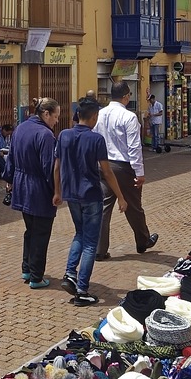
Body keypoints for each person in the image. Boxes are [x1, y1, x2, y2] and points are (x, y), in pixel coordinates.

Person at [57, 97, 127, 307]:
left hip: (71, 194)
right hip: (91, 194)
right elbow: (106, 171)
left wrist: (57, 191)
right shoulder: (96, 139)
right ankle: (82, 289)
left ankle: (70, 273)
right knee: (90, 242)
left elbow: (56, 166)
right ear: (94, 117)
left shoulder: (64, 135)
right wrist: (121, 197)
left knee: (79, 233)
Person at [93, 80, 158, 259]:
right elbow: (134, 148)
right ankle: (143, 240)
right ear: (126, 96)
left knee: (104, 207)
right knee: (134, 206)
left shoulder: (99, 114)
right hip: (123, 167)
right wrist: (140, 173)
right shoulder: (128, 117)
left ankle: (99, 249)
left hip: (103, 165)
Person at [8, 98, 63, 289]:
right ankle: (36, 277)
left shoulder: (20, 128)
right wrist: (57, 191)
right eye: (55, 116)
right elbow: (50, 168)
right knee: (41, 232)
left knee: (30, 230)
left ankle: (27, 268)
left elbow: (11, 158)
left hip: (21, 186)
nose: (56, 121)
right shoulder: (46, 135)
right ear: (46, 114)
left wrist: (9, 181)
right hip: (38, 189)